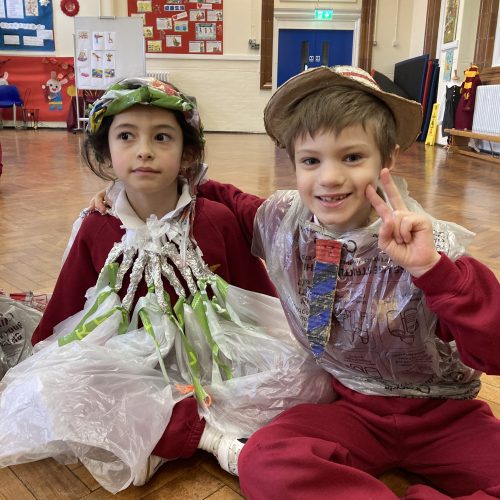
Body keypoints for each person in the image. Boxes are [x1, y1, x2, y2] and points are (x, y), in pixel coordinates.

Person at [182, 66, 500, 498]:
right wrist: (150, 185)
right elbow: (232, 201)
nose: (329, 178)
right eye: (311, 160)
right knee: (267, 457)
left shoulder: (431, 245)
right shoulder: (285, 221)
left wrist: (433, 271)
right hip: (352, 411)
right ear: (292, 163)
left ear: (387, 159)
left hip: (446, 417)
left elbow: (492, 349)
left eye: (352, 157)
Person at [30, 77, 281, 485]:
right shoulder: (97, 226)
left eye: (162, 137)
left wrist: (275, 341)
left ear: (187, 153)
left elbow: (254, 293)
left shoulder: (215, 220)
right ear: (106, 152)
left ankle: (180, 435)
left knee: (281, 378)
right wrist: (45, 354)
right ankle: (200, 435)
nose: (144, 150)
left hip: (212, 358)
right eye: (126, 136)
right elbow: (69, 299)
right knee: (63, 387)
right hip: (128, 361)